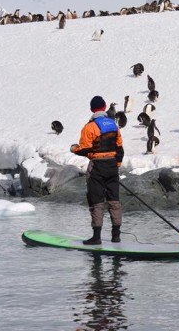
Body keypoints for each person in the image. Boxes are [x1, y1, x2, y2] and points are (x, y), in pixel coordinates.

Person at [71, 96, 124, 245]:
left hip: (98, 168)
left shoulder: (89, 127)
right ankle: (116, 235)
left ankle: (97, 237)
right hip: (112, 166)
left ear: (91, 109)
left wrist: (74, 149)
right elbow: (120, 148)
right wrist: (116, 165)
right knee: (114, 200)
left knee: (97, 200)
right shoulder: (114, 125)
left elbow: (85, 149)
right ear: (105, 106)